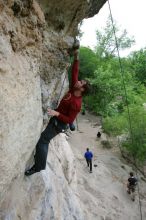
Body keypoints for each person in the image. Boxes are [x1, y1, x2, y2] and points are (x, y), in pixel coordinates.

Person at [25, 48, 90, 176]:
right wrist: (76, 57)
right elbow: (75, 72)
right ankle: (68, 125)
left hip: (59, 124)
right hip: (59, 116)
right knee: (61, 124)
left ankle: (38, 167)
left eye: (81, 82)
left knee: (43, 140)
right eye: (80, 80)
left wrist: (57, 114)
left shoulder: (77, 103)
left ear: (82, 89)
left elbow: (70, 119)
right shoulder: (73, 89)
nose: (78, 81)